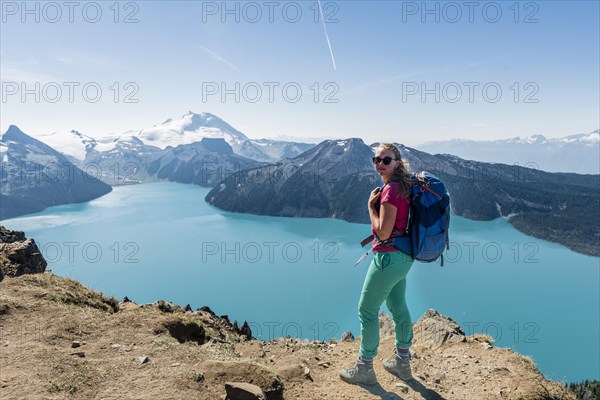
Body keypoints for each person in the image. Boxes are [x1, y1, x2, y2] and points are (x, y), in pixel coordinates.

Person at [339, 143, 415, 386]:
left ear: (397, 162)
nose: (379, 164)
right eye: (376, 160)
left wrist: (371, 207)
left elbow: (382, 233)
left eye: (386, 159)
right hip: (404, 257)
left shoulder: (391, 191)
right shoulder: (404, 186)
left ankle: (365, 368)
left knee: (367, 310)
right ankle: (402, 362)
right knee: (397, 306)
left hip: (388, 257)